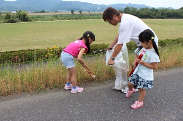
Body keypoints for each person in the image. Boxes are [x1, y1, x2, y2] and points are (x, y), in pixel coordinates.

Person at [102, 7, 159, 92]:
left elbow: (120, 44)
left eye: (109, 21)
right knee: (136, 65)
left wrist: (112, 58)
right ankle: (135, 85)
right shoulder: (125, 19)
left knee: (142, 67)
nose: (110, 23)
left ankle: (141, 87)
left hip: (148, 44)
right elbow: (119, 35)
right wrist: (111, 45)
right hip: (142, 44)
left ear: (114, 16)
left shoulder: (125, 23)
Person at [126, 29, 160, 109]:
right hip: (137, 71)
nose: (141, 44)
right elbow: (137, 55)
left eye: (142, 42)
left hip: (144, 75)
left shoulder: (153, 54)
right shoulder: (143, 48)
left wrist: (143, 63)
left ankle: (140, 102)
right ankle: (131, 90)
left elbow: (154, 67)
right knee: (129, 83)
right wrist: (135, 62)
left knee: (141, 89)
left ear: (149, 42)